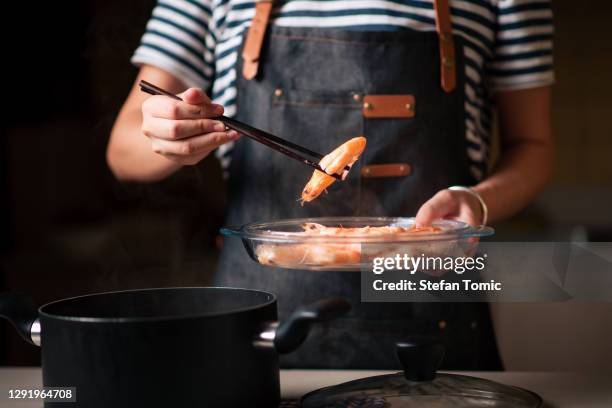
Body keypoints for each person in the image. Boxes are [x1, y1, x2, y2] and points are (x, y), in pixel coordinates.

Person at [108, 0, 554, 369]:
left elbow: (532, 145)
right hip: (262, 324)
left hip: (433, 315)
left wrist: (476, 200)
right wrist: (167, 137)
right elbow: (122, 149)